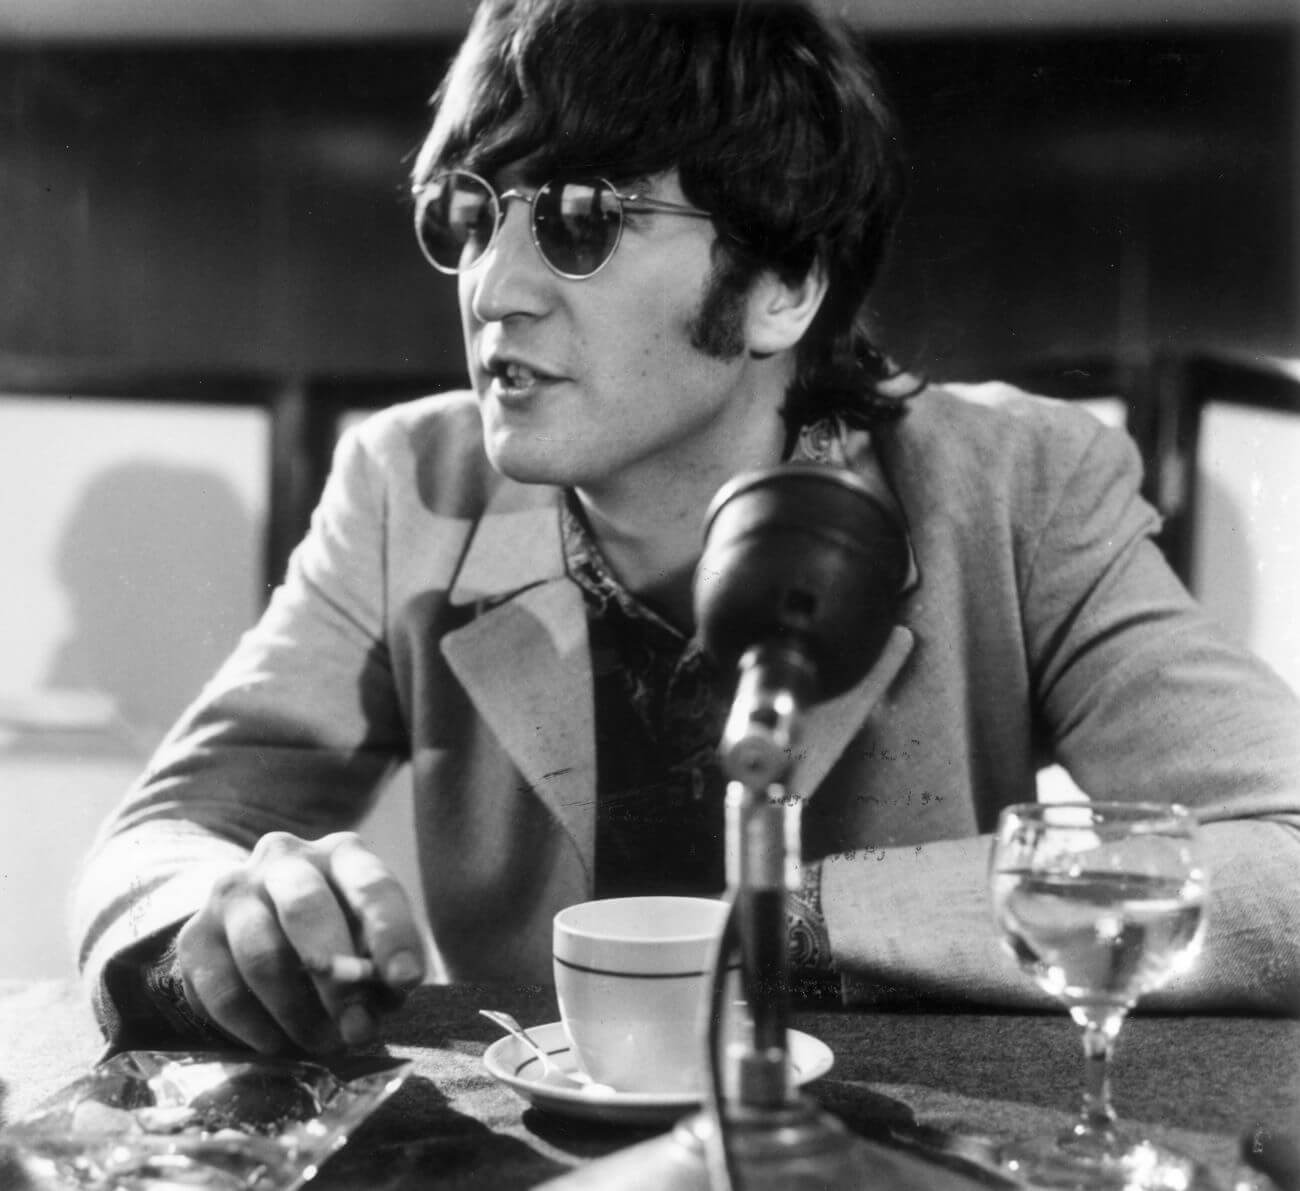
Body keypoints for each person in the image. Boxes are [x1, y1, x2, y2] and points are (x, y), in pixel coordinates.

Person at [74, 0, 1300, 1058]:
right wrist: (226, 923)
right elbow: (164, 840)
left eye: (577, 221)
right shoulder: (407, 486)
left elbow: (1287, 865)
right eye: (469, 215)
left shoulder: (1017, 486)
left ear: (782, 286)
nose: (494, 288)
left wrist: (789, 921)